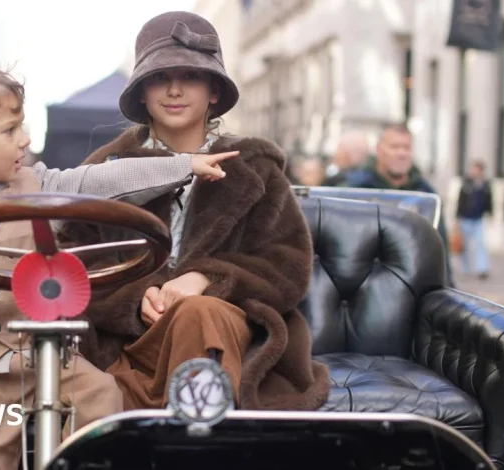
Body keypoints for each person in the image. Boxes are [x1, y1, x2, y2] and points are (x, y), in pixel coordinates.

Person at [0, 55, 238, 470]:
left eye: (21, 126)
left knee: (102, 396)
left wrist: (183, 166)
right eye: (10, 130)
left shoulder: (40, 185)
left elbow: (104, 182)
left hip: (47, 353)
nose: (24, 139)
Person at [62, 11, 330, 412]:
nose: (173, 90)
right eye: (159, 77)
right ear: (141, 92)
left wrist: (208, 277)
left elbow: (287, 267)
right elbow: (70, 264)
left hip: (229, 336)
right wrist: (137, 297)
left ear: (214, 91)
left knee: (199, 312)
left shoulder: (254, 168)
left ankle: (168, 418)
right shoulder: (106, 169)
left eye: (190, 76)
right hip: (128, 342)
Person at [347, 123, 455, 287]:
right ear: (379, 150)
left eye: (406, 148)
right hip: (364, 283)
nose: (401, 153)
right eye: (394, 147)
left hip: (413, 284)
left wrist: (447, 288)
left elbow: (440, 249)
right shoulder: (355, 189)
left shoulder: (426, 194)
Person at [455, 161, 492, 279]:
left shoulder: (485, 185)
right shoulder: (466, 184)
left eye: (477, 169)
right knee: (465, 245)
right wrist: (457, 217)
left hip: (478, 219)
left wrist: (490, 212)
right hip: (466, 218)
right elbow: (460, 201)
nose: (475, 172)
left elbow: (489, 200)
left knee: (480, 243)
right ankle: (465, 268)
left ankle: (482, 269)